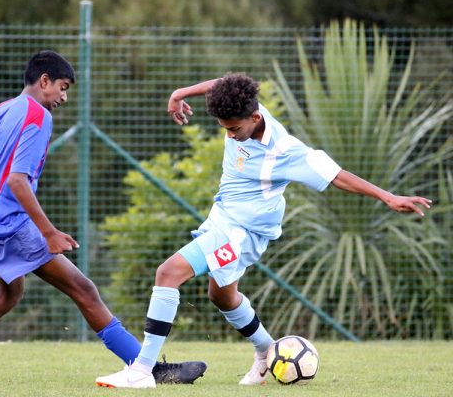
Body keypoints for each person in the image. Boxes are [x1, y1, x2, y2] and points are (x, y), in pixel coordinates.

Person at [95, 73, 432, 388]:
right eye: (224, 128)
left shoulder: (285, 151)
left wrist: (388, 197)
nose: (229, 134)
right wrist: (180, 93)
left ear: (255, 119)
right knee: (221, 295)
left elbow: (337, 175)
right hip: (222, 217)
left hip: (242, 232)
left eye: (233, 129)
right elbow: (225, 82)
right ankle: (265, 352)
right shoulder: (243, 106)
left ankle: (141, 371)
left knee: (167, 273)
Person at [0, 50, 206, 385]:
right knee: (83, 288)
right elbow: (17, 180)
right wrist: (49, 232)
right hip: (6, 222)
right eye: (63, 86)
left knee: (8, 296)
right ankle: (150, 370)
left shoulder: (2, 109)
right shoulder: (37, 116)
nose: (64, 96)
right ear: (44, 81)